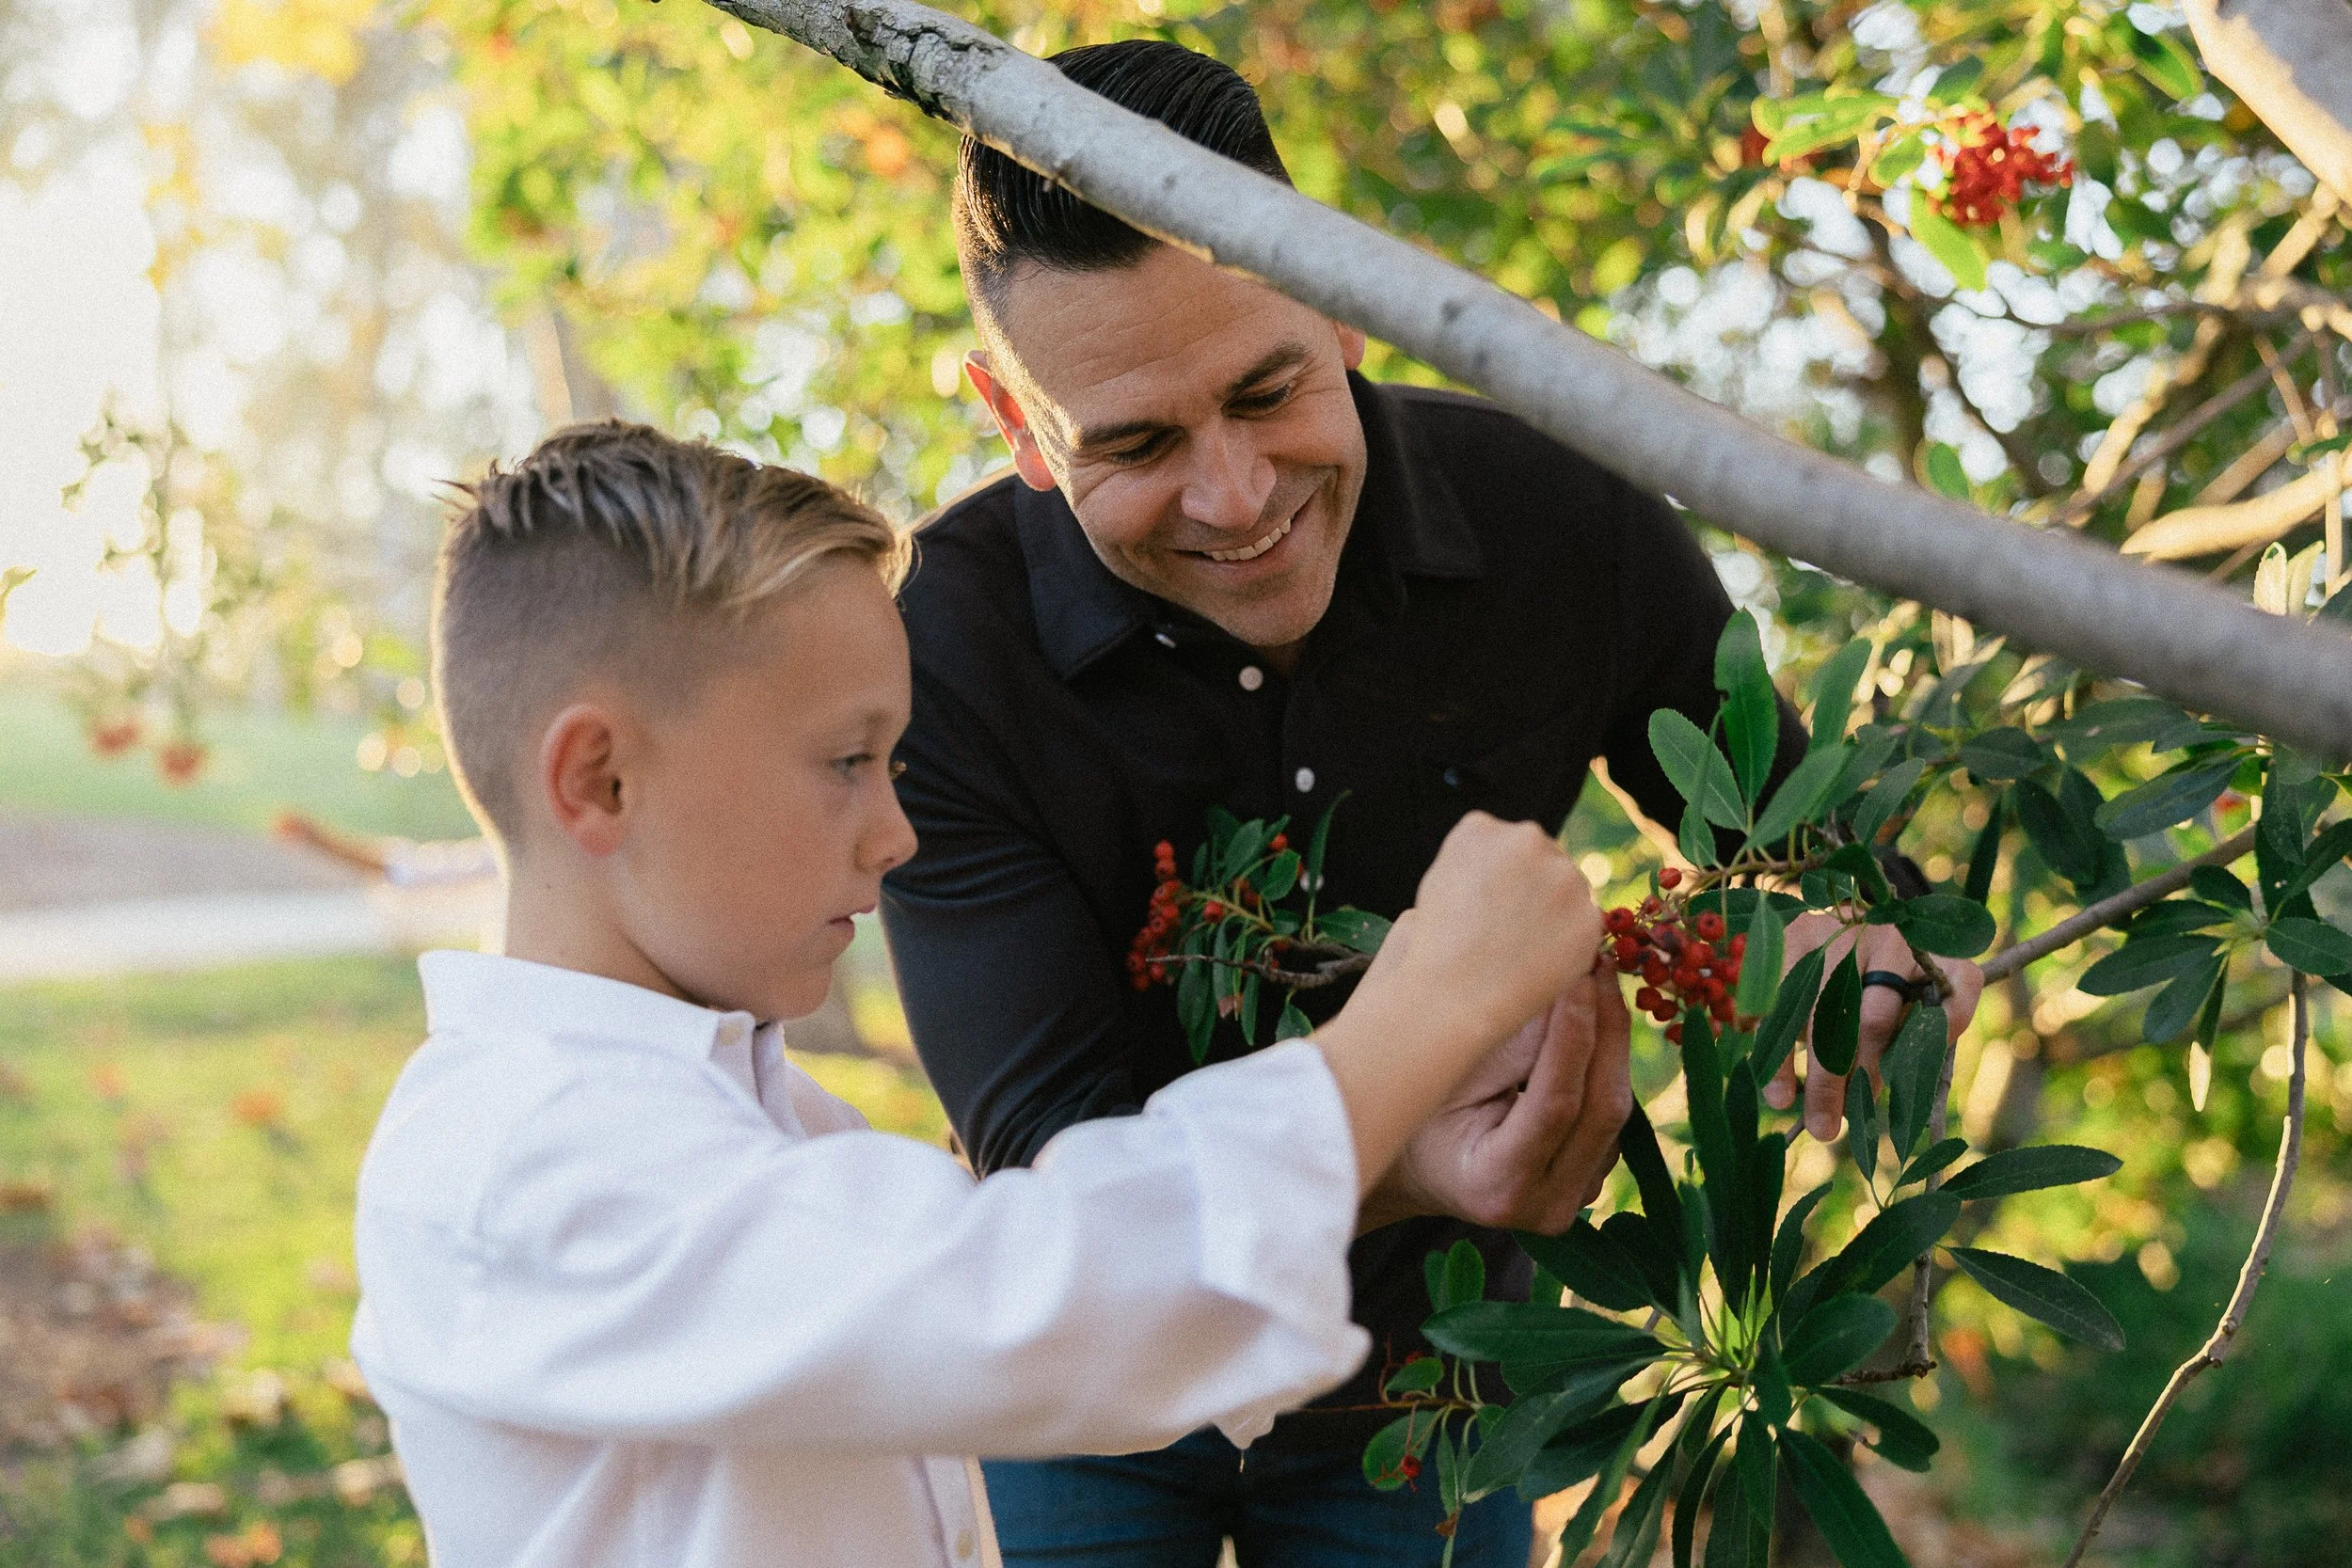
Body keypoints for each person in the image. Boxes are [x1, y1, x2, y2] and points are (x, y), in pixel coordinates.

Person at [881, 39, 1983, 1565]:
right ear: (1016, 423)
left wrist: (1857, 942)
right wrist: (1404, 1159)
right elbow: (1063, 1173)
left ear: (1345, 301)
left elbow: (1803, 844)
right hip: (1086, 1399)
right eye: (1133, 445)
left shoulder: (1563, 517)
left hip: (1433, 1400)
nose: (1236, 496)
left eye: (1270, 392)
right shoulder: (936, 647)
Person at [348, 421, 1613, 1568]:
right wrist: (1423, 1009)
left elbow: (1053, 1341)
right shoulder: (519, 1162)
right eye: (845, 761)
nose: (896, 834)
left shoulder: (765, 1126)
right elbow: (1028, 1301)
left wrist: (1400, 1161)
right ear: (602, 781)